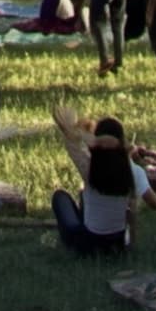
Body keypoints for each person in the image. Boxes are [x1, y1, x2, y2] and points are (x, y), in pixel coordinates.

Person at [49, 100, 138, 255]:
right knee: (83, 196)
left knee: (60, 197)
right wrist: (130, 245)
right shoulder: (129, 171)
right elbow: (131, 213)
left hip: (88, 244)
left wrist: (71, 128)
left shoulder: (90, 170)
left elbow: (74, 146)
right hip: (116, 244)